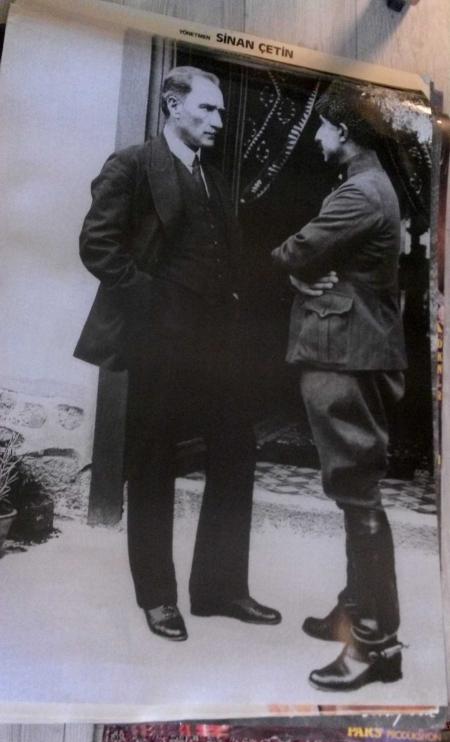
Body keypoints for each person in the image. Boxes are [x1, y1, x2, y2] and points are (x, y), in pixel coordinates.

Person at [75, 66, 281, 641]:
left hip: (218, 346)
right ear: (172, 104)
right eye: (207, 109)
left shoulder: (211, 178)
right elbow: (98, 246)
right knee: (152, 463)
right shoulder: (133, 165)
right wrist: (153, 305)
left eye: (221, 112)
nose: (218, 120)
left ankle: (220, 589)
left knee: (237, 449)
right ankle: (158, 598)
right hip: (159, 341)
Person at [272, 81, 406, 691]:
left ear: (343, 132)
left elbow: (297, 252)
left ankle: (375, 645)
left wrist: (294, 269)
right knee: (354, 490)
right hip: (350, 349)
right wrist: (306, 272)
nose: (318, 138)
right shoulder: (371, 185)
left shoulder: (359, 193)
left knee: (357, 494)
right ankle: (356, 612)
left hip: (346, 355)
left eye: (322, 128)